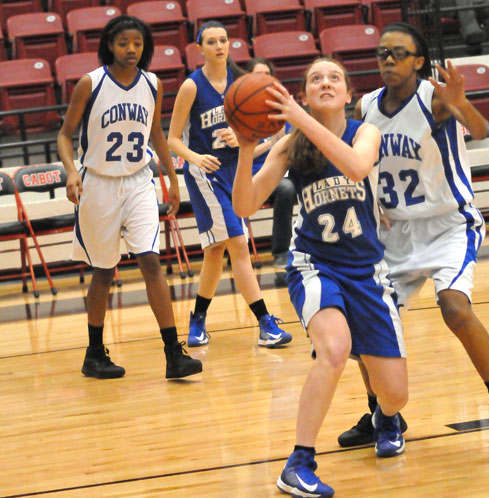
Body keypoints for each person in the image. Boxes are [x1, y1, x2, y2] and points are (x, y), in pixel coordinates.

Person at [337, 21, 489, 454]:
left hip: (449, 224)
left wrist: (463, 103)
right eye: (382, 53)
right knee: (364, 323)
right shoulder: (367, 106)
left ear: (419, 61)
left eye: (398, 53)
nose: (387, 60)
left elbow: (482, 131)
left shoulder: (434, 97)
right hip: (394, 232)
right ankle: (383, 411)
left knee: (454, 307)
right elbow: (360, 164)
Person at [233, 57, 409, 498]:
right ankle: (298, 462)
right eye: (315, 79)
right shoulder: (290, 146)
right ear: (305, 94)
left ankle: (385, 417)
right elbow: (244, 206)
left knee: (397, 395)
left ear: (349, 94)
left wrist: (298, 120)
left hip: (368, 272)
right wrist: (243, 146)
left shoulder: (366, 131)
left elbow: (356, 167)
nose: (325, 83)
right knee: (333, 348)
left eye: (334, 78)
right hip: (314, 264)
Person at [57, 15, 202, 380]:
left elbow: (156, 133)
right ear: (110, 44)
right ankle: (94, 353)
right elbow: (64, 135)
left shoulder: (152, 83)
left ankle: (173, 353)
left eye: (137, 43)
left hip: (139, 180)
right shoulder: (90, 83)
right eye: (124, 43)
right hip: (99, 184)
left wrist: (171, 176)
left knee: (151, 261)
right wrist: (72, 171)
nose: (131, 49)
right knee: (104, 272)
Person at [167, 21, 292, 348]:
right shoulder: (192, 87)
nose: (220, 46)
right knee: (238, 244)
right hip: (206, 174)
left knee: (214, 252)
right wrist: (194, 158)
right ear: (200, 48)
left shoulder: (244, 83)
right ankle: (265, 322)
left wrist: (245, 140)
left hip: (238, 172)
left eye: (223, 40)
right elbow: (173, 139)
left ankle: (197, 322)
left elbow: (267, 133)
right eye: (212, 41)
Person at [245, 57, 297, 269]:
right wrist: (271, 144)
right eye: (259, 75)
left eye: (268, 75)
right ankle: (281, 252)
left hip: (281, 173)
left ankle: (313, 246)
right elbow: (241, 154)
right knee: (286, 188)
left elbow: (294, 147)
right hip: (251, 176)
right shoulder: (241, 111)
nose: (264, 79)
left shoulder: (282, 110)